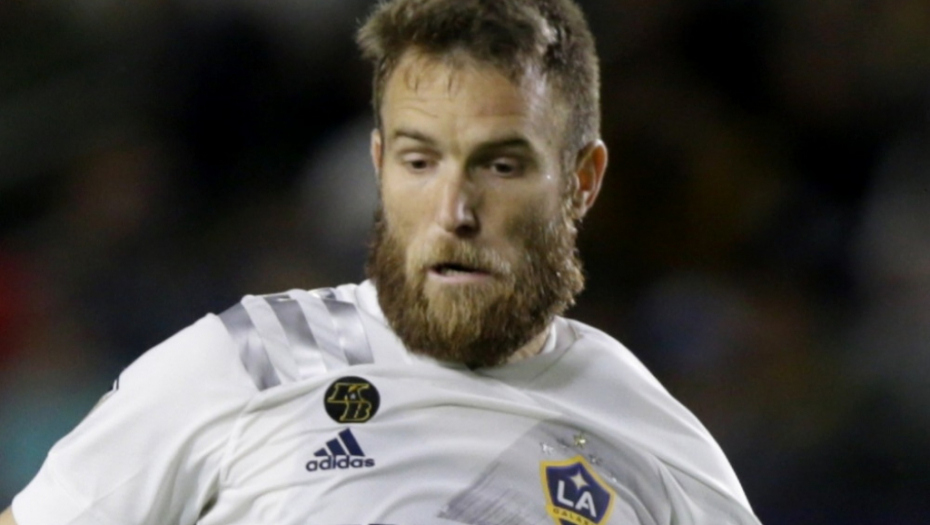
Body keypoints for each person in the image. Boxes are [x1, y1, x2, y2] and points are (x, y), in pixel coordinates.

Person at [2, 0, 763, 523]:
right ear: (378, 164)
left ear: (581, 181)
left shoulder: (660, 447)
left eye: (501, 165)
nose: (454, 210)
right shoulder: (249, 359)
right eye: (419, 161)